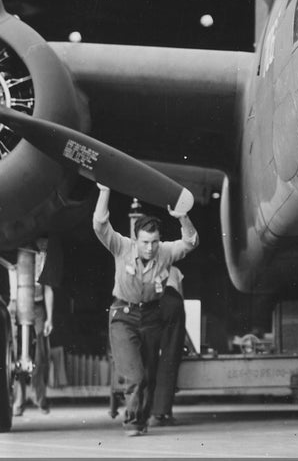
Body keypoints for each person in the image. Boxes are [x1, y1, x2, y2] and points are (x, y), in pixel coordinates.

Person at [93, 184, 198, 437]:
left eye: (154, 242)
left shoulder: (164, 253)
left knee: (149, 375)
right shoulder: (122, 247)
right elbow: (100, 225)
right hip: (123, 316)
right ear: (136, 239)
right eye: (145, 242)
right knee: (136, 376)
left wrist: (182, 217)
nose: (150, 248)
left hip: (151, 316)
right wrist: (105, 192)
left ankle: (142, 420)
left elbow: (191, 241)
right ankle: (132, 422)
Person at [8, 237, 57, 416]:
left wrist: (49, 318)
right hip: (15, 305)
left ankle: (40, 398)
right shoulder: (11, 251)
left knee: (40, 356)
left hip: (37, 306)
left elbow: (48, 287)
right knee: (14, 353)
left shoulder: (42, 257)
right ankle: (19, 401)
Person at [151, 266, 186, 426]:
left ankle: (144, 411)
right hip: (172, 301)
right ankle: (162, 412)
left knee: (148, 356)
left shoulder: (143, 267)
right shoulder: (174, 269)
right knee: (169, 357)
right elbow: (181, 295)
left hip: (150, 302)